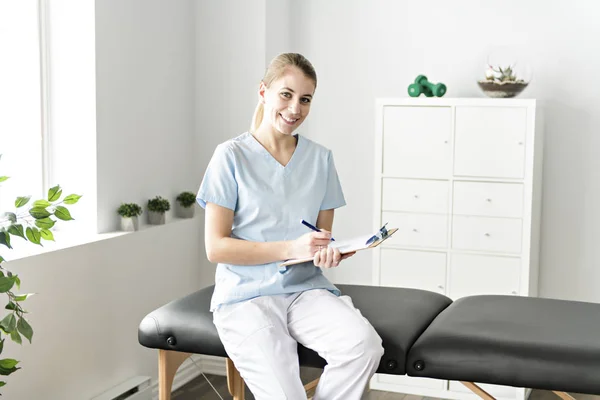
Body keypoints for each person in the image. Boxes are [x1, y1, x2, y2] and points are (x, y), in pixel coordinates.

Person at [196, 53, 384, 400]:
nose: (295, 108)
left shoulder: (320, 159)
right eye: (286, 94)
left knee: (364, 346)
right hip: (245, 295)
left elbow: (321, 239)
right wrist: (290, 248)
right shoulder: (230, 156)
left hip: (305, 289)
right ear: (264, 92)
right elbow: (216, 247)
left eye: (305, 99)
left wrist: (328, 253)